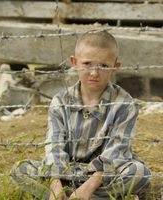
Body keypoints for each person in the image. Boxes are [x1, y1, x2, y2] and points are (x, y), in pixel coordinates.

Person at [10, 30, 151, 200]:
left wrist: (89, 187)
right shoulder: (61, 101)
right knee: (20, 169)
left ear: (115, 67)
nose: (94, 73)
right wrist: (55, 184)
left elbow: (117, 151)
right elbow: (54, 146)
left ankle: (78, 197)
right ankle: (74, 197)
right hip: (66, 173)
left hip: (103, 175)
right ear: (74, 62)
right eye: (87, 64)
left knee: (139, 173)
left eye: (104, 66)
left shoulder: (125, 104)